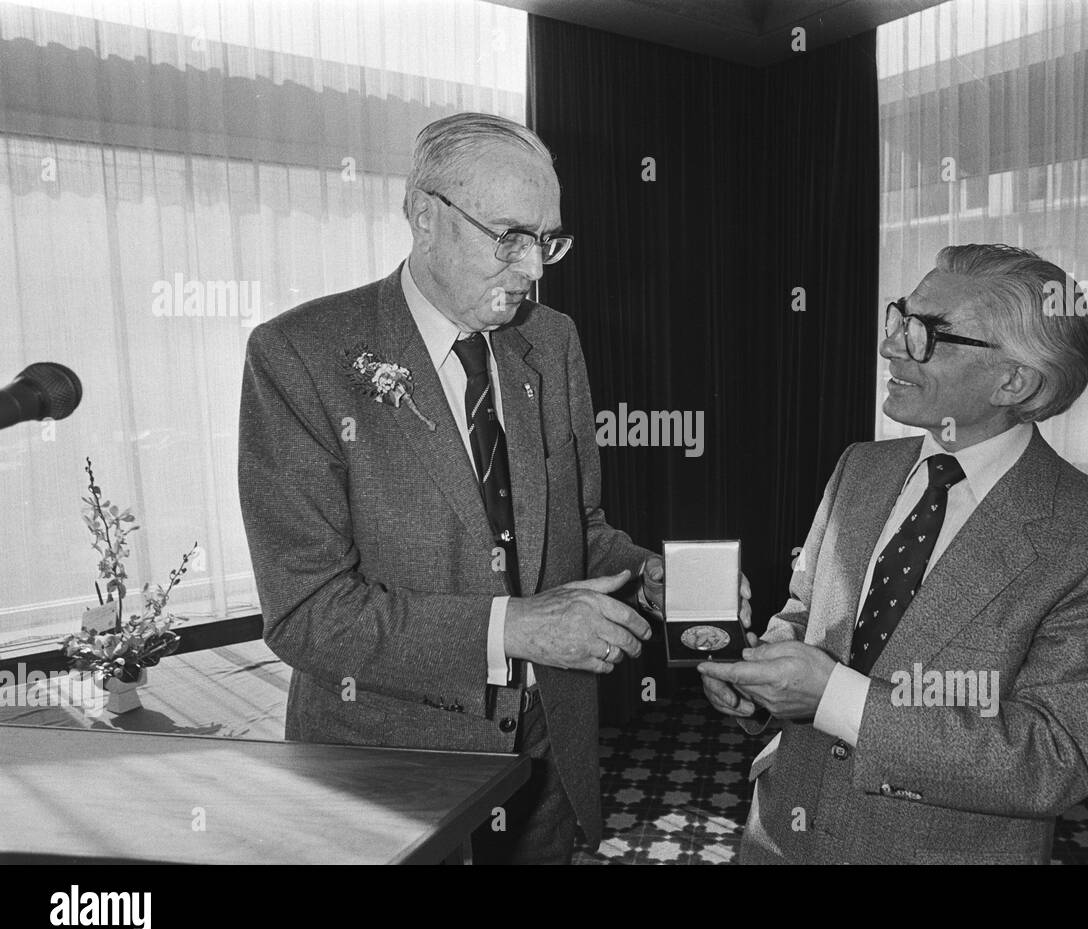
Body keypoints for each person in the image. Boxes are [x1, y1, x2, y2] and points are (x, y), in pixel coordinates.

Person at [238, 112, 745, 864]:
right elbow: (307, 614)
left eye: (549, 239)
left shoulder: (551, 339)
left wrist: (646, 574)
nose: (535, 266)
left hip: (545, 757)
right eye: (509, 235)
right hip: (386, 772)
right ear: (424, 216)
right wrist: (511, 629)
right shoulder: (299, 355)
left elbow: (578, 525)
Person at [700, 244, 1088, 864]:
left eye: (925, 334)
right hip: (780, 836)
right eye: (898, 318)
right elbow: (805, 616)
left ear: (1014, 380)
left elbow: (1053, 760)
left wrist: (832, 697)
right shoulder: (860, 468)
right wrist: (759, 686)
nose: (890, 345)